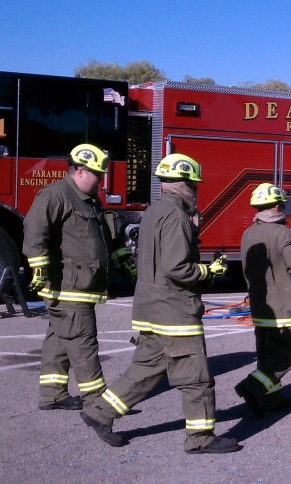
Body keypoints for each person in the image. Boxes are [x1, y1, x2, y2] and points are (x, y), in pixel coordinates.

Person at [81, 154, 240, 454]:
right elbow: (177, 268)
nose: (196, 190)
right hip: (174, 309)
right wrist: (210, 271)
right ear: (186, 183)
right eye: (194, 184)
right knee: (197, 378)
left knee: (147, 368)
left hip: (150, 307)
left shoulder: (155, 210)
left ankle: (98, 412)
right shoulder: (177, 215)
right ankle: (201, 438)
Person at [23, 144, 126, 411]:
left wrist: (120, 259)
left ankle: (52, 394)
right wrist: (39, 267)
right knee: (83, 341)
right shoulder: (55, 195)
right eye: (97, 175)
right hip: (68, 287)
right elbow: (35, 234)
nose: (101, 181)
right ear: (80, 171)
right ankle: (97, 402)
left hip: (81, 285)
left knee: (60, 338)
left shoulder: (90, 200)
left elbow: (102, 237)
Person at [234, 183, 291, 418]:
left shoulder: (249, 233)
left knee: (266, 355)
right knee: (288, 354)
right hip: (281, 307)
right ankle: (252, 387)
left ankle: (270, 400)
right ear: (278, 205)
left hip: (260, 306)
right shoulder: (283, 233)